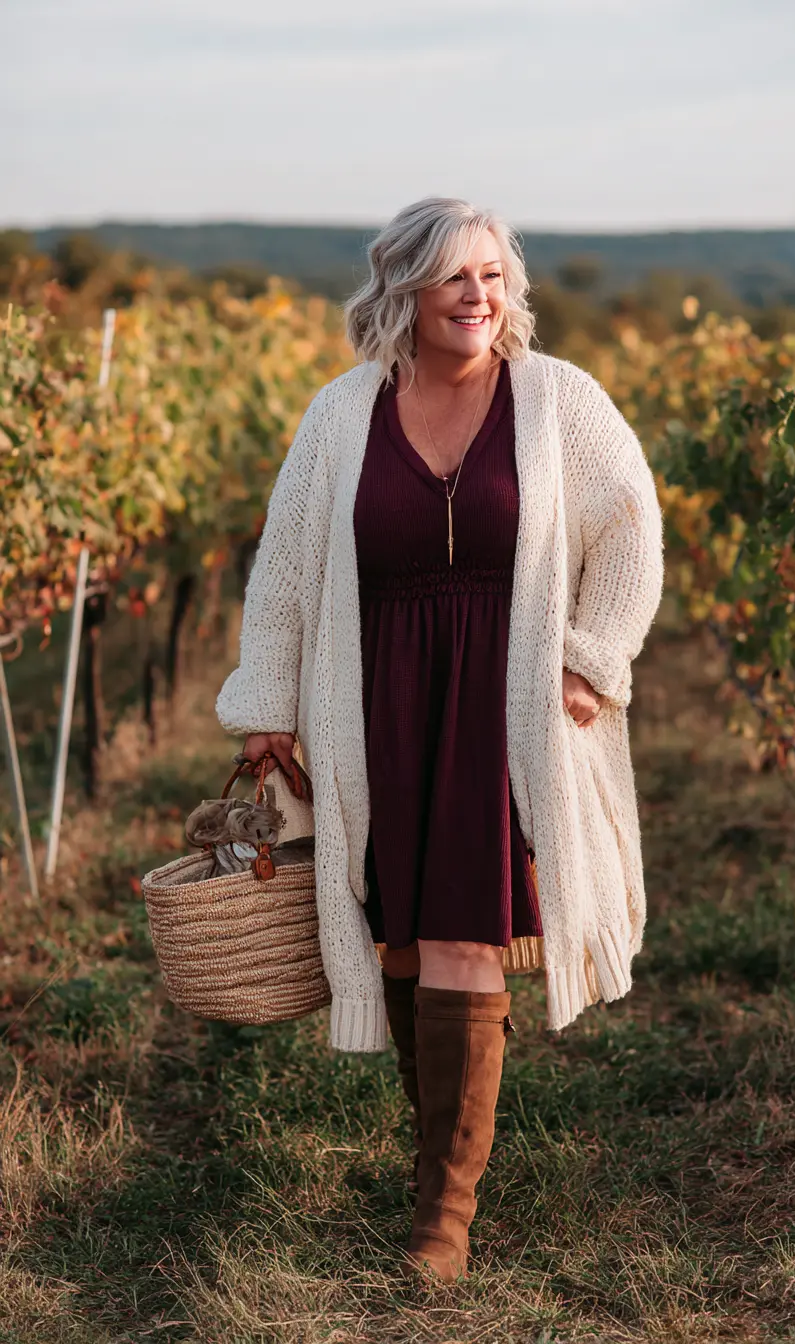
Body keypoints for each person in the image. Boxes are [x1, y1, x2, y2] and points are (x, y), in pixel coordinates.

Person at [215, 196, 664, 1282]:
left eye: (494, 277)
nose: (478, 296)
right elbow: (281, 572)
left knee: (466, 931)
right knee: (402, 935)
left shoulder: (559, 402)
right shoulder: (339, 415)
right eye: (455, 277)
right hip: (373, 697)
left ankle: (441, 1219)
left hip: (504, 701)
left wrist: (590, 656)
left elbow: (631, 526)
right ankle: (440, 1161)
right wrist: (267, 702)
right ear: (405, 291)